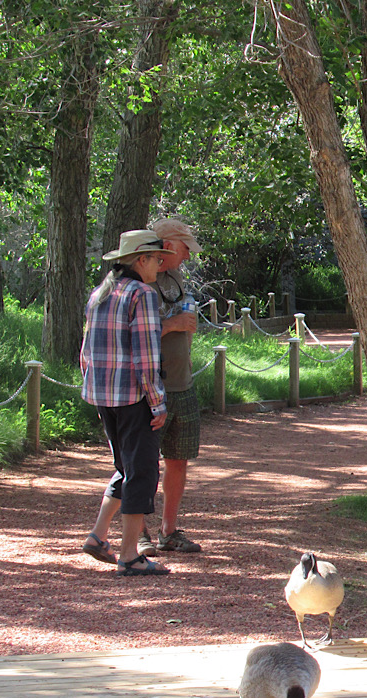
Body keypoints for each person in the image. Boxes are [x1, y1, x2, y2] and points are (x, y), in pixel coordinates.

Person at [79, 229, 173, 575]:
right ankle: (130, 555)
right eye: (156, 258)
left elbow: (86, 350)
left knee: (125, 467)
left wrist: (93, 385)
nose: (160, 265)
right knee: (143, 472)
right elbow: (146, 357)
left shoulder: (100, 293)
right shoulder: (142, 294)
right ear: (140, 260)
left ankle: (97, 536)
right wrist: (157, 402)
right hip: (134, 397)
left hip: (104, 395)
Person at [137, 217, 204, 556]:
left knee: (178, 459)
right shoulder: (139, 279)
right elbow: (133, 333)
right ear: (166, 246)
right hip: (149, 388)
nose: (188, 257)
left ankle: (169, 530)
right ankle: (138, 532)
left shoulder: (175, 279)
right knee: (142, 462)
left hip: (182, 384)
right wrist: (173, 324)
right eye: (185, 249)